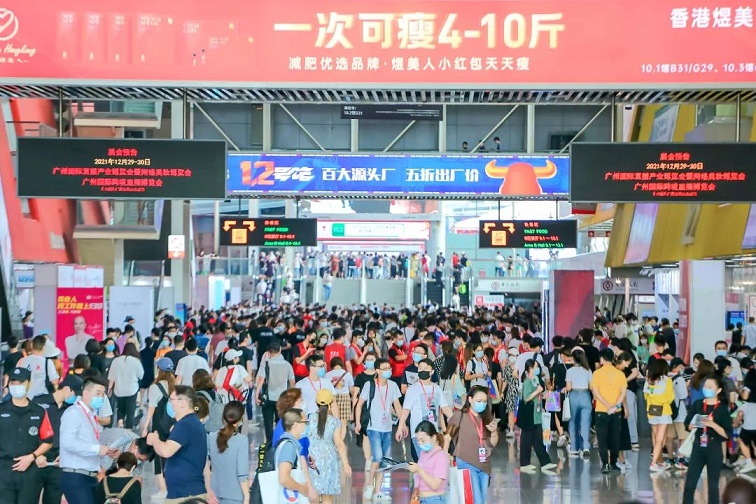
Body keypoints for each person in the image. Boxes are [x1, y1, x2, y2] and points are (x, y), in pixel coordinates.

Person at [59, 375, 118, 504]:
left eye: (103, 394)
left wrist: (106, 452)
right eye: (98, 393)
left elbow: (87, 444)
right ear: (85, 393)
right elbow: (68, 442)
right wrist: (97, 449)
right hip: (76, 475)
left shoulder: (91, 416)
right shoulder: (74, 412)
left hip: (89, 475)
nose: (101, 397)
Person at [0, 367, 54, 504]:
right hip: (4, 471)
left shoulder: (39, 411)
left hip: (29, 471)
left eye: (20, 383)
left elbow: (48, 441)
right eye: (13, 383)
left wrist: (32, 456)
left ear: (29, 384)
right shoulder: (1, 410)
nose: (16, 386)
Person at [146, 385, 209, 502]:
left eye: (171, 399)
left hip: (186, 494)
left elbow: (166, 451)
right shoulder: (189, 423)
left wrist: (154, 440)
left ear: (182, 402)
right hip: (182, 492)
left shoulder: (185, 424)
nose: (169, 403)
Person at [355, 358, 402, 501]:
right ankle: (370, 485)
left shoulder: (393, 385)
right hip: (373, 426)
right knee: (378, 457)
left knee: (384, 461)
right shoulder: (369, 385)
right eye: (385, 368)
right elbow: (359, 404)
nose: (388, 370)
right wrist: (357, 422)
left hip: (387, 427)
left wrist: (402, 424)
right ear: (377, 371)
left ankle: (378, 491)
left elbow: (397, 405)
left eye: (389, 368)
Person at [32, 374, 82, 504]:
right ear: (67, 389)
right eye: (75, 393)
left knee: (53, 499)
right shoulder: (39, 402)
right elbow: (30, 431)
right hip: (37, 459)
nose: (75, 397)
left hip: (58, 462)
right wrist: (37, 455)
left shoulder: (71, 409)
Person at [445, 386, 500, 504]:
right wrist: (445, 456)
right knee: (477, 499)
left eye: (484, 401)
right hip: (466, 462)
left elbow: (492, 443)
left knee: (482, 499)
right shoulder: (460, 416)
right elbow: (447, 437)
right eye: (479, 401)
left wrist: (494, 432)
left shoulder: (487, 417)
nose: (482, 404)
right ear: (470, 399)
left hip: (484, 464)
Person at [682, 375, 732, 504]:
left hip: (714, 448)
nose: (706, 389)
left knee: (713, 487)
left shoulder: (722, 409)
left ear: (718, 390)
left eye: (710, 387)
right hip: (698, 447)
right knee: (689, 485)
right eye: (705, 386)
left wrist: (712, 425)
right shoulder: (698, 404)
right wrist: (693, 425)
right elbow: (687, 424)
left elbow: (727, 434)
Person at [397, 358, 453, 462]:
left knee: (433, 462)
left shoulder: (437, 388)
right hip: (419, 434)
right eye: (420, 368)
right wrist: (400, 427)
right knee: (424, 461)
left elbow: (445, 407)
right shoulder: (412, 389)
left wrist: (457, 419)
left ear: (432, 372)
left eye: (426, 368)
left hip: (434, 433)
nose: (422, 370)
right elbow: (406, 410)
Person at [307, 389, 351, 504]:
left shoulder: (309, 419)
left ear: (316, 403)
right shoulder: (334, 422)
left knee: (313, 497)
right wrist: (346, 464)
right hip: (330, 462)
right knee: (328, 498)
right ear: (331, 404)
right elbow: (339, 444)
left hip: (312, 461)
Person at [141, 357, 176, 498]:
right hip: (173, 425)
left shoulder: (155, 387)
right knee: (172, 455)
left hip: (159, 426)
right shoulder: (176, 386)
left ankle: (163, 490)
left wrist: (145, 426)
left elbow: (151, 408)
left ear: (159, 370)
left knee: (158, 458)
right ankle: (172, 486)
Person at [591, 348, 627, 474]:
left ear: (602, 359)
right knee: (615, 438)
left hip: (601, 410)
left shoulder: (596, 374)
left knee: (602, 439)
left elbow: (596, 392)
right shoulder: (620, 374)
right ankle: (613, 463)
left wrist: (607, 405)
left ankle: (605, 464)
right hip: (616, 412)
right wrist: (615, 406)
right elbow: (623, 392)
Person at [207, 401, 250, 504]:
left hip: (214, 494)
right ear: (241, 419)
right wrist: (247, 495)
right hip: (235, 495)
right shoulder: (242, 440)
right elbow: (242, 473)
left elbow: (206, 466)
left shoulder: (211, 437)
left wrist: (208, 490)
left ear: (223, 417)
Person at [518, 360, 556, 473]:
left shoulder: (536, 380)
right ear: (530, 368)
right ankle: (524, 463)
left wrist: (543, 394)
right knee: (526, 440)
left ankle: (545, 462)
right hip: (530, 415)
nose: (538, 369)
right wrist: (538, 391)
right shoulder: (527, 382)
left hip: (537, 414)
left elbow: (538, 394)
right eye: (536, 367)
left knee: (538, 439)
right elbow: (526, 398)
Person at [256, 340, 295, 443]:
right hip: (282, 399)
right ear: (280, 350)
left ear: (269, 353)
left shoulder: (266, 364)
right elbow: (292, 381)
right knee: (280, 422)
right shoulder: (287, 364)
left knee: (268, 422)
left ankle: (269, 443)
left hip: (268, 397)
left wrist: (256, 394)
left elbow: (261, 380)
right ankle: (280, 441)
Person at [275, 408, 318, 503]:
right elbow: (283, 479)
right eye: (304, 422)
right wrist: (302, 489)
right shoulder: (289, 446)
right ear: (295, 425)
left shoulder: (290, 445)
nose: (307, 425)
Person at [644, 358, 675, 472]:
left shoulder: (648, 380)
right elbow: (670, 398)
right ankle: (653, 463)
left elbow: (645, 396)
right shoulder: (667, 380)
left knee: (656, 438)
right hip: (663, 411)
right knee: (661, 439)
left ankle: (660, 462)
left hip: (651, 411)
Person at [408, 421, 449, 504]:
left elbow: (435, 485)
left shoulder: (441, 456)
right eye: (418, 440)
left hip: (434, 500)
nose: (420, 444)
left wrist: (419, 470)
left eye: (423, 440)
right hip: (420, 499)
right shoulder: (423, 454)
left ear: (433, 438)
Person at [108, 342, 144, 429]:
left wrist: (109, 388)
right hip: (132, 390)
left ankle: (120, 423)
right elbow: (141, 375)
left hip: (119, 389)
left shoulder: (116, 361)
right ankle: (129, 429)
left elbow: (111, 377)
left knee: (120, 408)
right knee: (130, 411)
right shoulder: (136, 361)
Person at [565, 349, 593, 458]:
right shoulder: (588, 370)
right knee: (585, 423)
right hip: (585, 395)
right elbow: (591, 386)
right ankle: (585, 447)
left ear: (573, 358)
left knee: (573, 422)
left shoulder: (570, 371)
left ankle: (574, 448)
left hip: (574, 395)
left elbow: (568, 388)